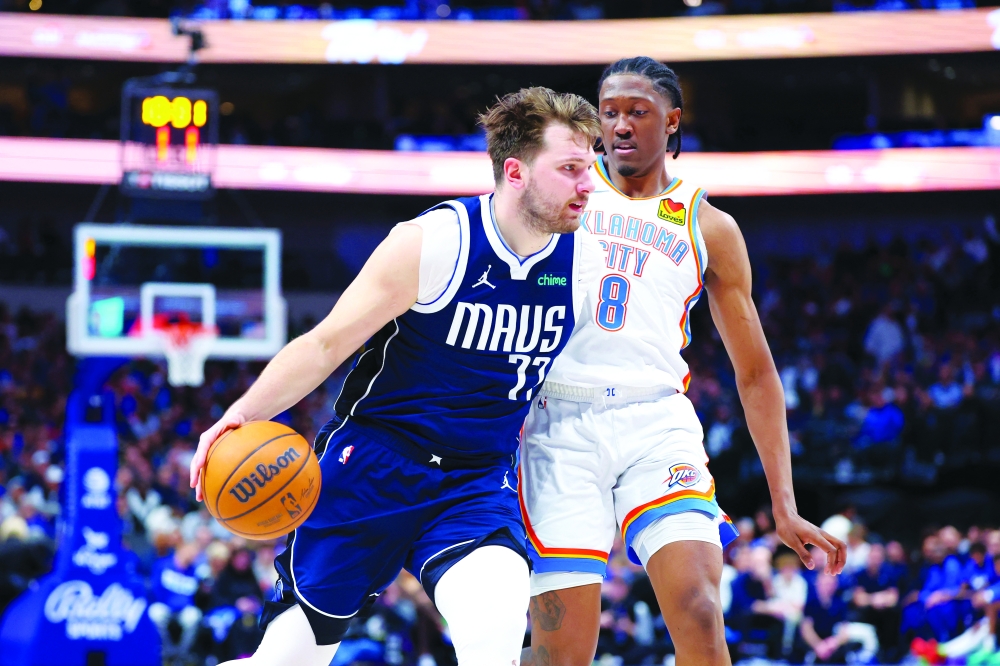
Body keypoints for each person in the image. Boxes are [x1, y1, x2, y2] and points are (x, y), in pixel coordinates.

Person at [188, 87, 601, 666]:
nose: (589, 183)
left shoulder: (588, 264)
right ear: (516, 171)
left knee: (495, 633)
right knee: (286, 660)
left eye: (593, 166)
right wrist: (239, 416)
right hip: (373, 465)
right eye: (571, 168)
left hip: (474, 483)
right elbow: (325, 343)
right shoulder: (435, 242)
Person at [518, 57, 847, 666]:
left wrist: (784, 503)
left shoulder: (709, 224)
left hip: (655, 423)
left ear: (672, 122)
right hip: (556, 422)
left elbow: (755, 373)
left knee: (698, 612)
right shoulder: (561, 192)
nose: (619, 125)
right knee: (562, 652)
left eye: (636, 112)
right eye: (609, 112)